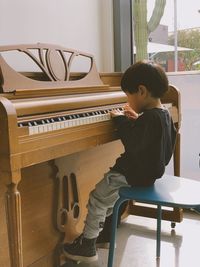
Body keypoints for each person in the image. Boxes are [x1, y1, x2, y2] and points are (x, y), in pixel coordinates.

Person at [62, 61, 177, 263]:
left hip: (129, 174)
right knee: (109, 199)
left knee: (98, 198)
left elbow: (133, 143)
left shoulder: (148, 119)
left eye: (128, 95)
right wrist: (137, 121)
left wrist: (121, 120)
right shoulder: (163, 114)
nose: (128, 100)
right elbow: (160, 143)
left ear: (141, 91)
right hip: (149, 174)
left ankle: (87, 245)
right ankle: (105, 236)